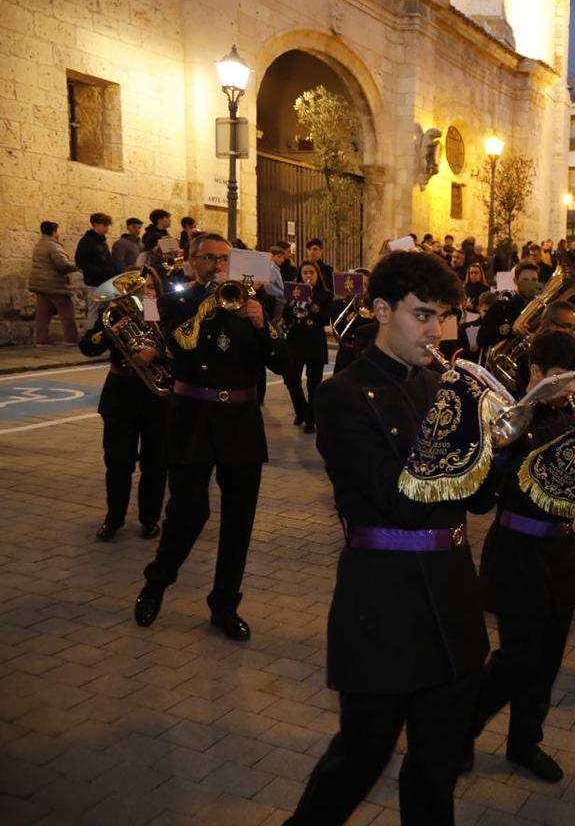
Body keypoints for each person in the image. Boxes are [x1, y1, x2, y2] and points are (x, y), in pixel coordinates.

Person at [286, 252, 492, 825]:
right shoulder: (342, 396)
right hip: (383, 603)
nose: (436, 331)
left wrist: (506, 438)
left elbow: (478, 500)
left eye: (444, 317)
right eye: (422, 315)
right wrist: (463, 442)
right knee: (359, 758)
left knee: (437, 767)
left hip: (453, 597)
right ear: (380, 310)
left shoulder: (442, 386)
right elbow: (396, 501)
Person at [133, 233, 287, 640]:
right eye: (210, 259)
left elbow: (283, 361)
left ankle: (224, 604)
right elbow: (177, 344)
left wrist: (260, 322)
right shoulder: (175, 302)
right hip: (192, 419)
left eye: (225, 259)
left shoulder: (258, 304)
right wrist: (211, 301)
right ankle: (156, 582)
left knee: (239, 520)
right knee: (186, 514)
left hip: (241, 421)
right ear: (192, 262)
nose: (219, 266)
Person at [467, 331, 575, 783]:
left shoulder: (573, 416)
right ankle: (463, 729)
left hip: (560, 552)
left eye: (574, 380)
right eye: (561, 379)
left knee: (548, 658)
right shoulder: (511, 420)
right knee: (517, 657)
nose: (569, 390)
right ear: (536, 373)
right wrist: (500, 448)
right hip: (517, 554)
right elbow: (480, 499)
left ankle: (525, 743)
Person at [79, 270, 168, 542]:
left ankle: (149, 518)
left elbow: (176, 344)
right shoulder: (114, 314)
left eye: (151, 287)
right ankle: (113, 518)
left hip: (156, 398)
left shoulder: (160, 312)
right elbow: (87, 346)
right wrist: (108, 333)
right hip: (120, 398)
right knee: (118, 462)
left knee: (155, 464)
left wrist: (157, 352)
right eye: (142, 288)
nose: (146, 293)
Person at [283, 262, 333, 433]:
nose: (308, 276)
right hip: (295, 339)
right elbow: (286, 317)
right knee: (291, 379)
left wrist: (311, 303)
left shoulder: (325, 294)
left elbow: (325, 319)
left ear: (317, 274)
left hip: (314, 341)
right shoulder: (294, 292)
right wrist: (291, 303)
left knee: (314, 383)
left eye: (311, 272)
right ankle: (302, 410)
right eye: (305, 272)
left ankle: (311, 419)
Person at [29, 220, 80, 344]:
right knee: (67, 312)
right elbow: (62, 265)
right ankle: (71, 339)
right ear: (53, 231)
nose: (58, 234)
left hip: (40, 285)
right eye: (57, 231)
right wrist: (77, 266)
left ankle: (41, 340)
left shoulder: (39, 245)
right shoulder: (53, 246)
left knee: (43, 315)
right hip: (54, 284)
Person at [76, 212, 118, 326]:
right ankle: (90, 338)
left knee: (104, 312)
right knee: (94, 311)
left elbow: (107, 260)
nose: (106, 228)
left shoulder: (101, 241)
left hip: (105, 282)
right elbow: (81, 261)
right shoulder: (87, 241)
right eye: (104, 225)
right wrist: (100, 272)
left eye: (107, 225)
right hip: (94, 282)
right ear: (95, 224)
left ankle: (101, 337)